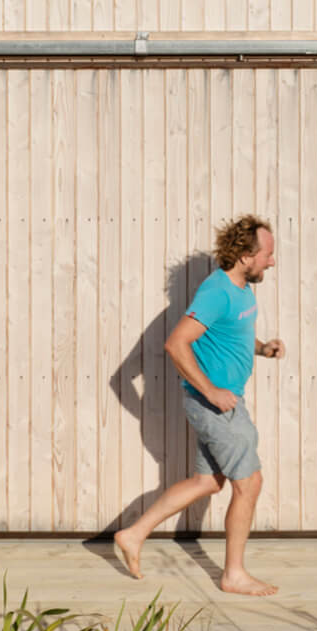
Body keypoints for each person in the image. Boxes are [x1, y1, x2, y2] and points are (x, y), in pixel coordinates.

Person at [115, 215, 284, 596]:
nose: (271, 262)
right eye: (267, 254)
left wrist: (262, 348)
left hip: (224, 401)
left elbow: (230, 333)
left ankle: (134, 533)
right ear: (244, 256)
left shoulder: (242, 291)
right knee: (250, 483)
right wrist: (210, 392)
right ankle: (234, 575)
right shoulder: (216, 291)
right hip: (218, 406)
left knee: (208, 481)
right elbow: (176, 343)